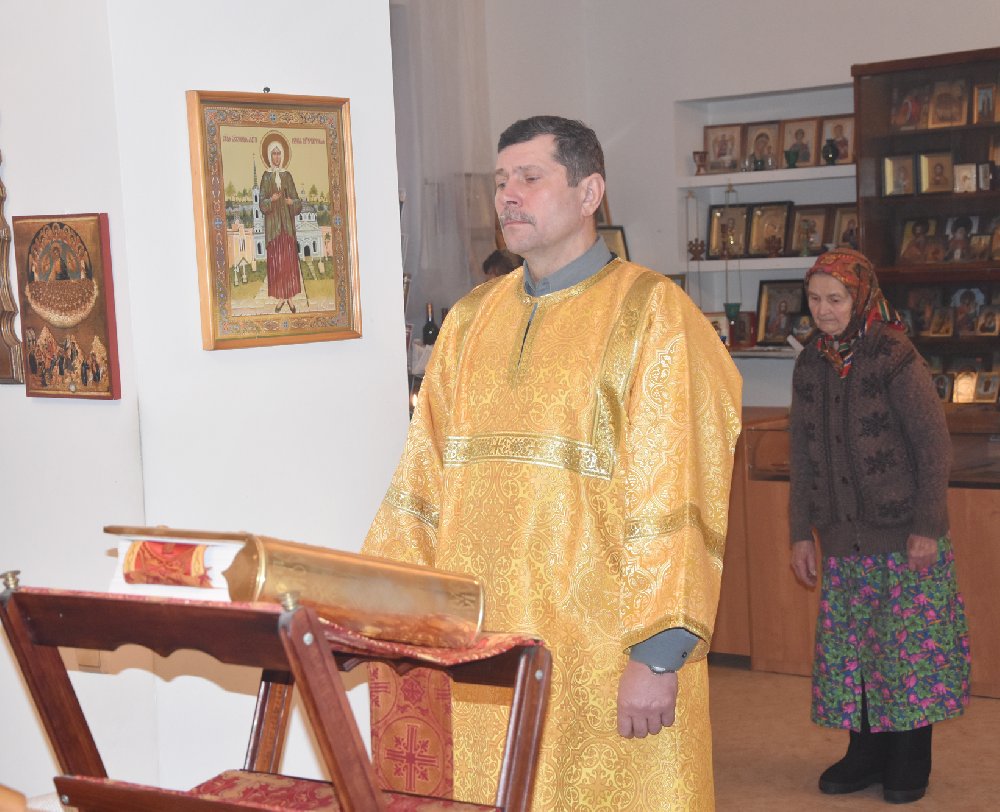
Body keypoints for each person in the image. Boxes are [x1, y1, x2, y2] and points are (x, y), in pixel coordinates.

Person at [363, 116, 742, 809]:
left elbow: (679, 486)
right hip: (478, 639)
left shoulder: (652, 314)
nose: (508, 195)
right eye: (501, 181)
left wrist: (659, 652)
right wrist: (386, 609)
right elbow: (422, 477)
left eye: (530, 178)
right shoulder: (470, 319)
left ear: (589, 191)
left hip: (601, 643)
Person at [789, 248, 970, 805]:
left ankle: (908, 761)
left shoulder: (893, 355)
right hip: (843, 541)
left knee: (907, 654)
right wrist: (799, 532)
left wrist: (927, 527)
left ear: (861, 296)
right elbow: (802, 456)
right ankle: (864, 753)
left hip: (904, 537)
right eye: (815, 299)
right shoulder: (810, 363)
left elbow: (934, 446)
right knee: (856, 656)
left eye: (835, 299)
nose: (824, 310)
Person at [258, 135, 303, 314]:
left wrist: (292, 202)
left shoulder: (287, 176)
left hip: (287, 228)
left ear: (282, 156)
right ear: (270, 156)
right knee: (277, 263)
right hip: (274, 228)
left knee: (288, 263)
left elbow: (297, 201)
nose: (276, 157)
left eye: (278, 154)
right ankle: (280, 298)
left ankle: (290, 298)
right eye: (274, 154)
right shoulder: (266, 177)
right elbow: (262, 204)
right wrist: (271, 200)